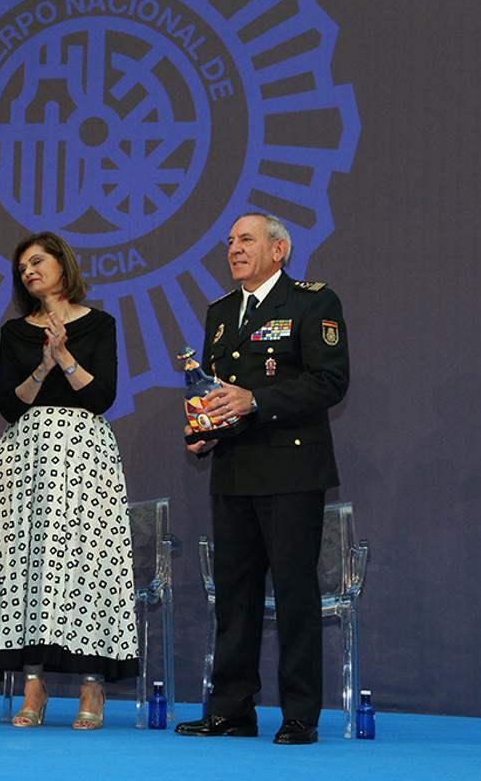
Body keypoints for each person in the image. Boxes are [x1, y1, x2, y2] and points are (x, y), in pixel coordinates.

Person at [175, 212, 349, 745]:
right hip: (234, 469)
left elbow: (330, 381)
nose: (234, 248)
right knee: (234, 596)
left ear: (279, 250)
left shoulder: (313, 302)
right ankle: (231, 709)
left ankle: (300, 714)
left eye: (246, 239)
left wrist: (256, 401)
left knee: (295, 594)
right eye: (230, 241)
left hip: (291, 468)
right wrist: (207, 430)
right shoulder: (220, 312)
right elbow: (218, 392)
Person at [0, 232, 137, 731]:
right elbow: (8, 404)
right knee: (27, 565)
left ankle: (92, 686)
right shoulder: (15, 332)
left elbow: (102, 396)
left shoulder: (100, 323)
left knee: (87, 561)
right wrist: (43, 366)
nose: (29, 271)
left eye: (37, 261)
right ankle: (33, 686)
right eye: (22, 267)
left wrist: (65, 357)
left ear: (63, 264)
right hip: (26, 455)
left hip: (84, 453)